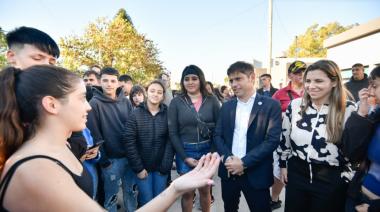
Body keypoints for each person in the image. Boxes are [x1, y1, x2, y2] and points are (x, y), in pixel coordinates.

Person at [0, 65, 102, 211]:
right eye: (82, 98)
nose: (88, 107)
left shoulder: (60, 146)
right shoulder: (36, 169)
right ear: (52, 104)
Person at [277, 60, 357, 212]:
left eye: (318, 81)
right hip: (297, 175)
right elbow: (285, 138)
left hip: (331, 179)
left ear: (334, 82)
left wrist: (345, 178)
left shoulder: (348, 109)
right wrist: (283, 165)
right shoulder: (295, 105)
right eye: (308, 81)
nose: (311, 86)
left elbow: (355, 151)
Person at [5, 26, 89, 160]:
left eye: (51, 62)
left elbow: (79, 141)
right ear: (11, 56)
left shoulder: (56, 92)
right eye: (37, 58)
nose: (45, 66)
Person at [214, 61, 282, 212]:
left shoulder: (271, 105)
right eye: (231, 80)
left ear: (252, 77)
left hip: (256, 172)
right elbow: (217, 135)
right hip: (229, 170)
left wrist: (243, 163)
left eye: (238, 79)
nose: (233, 84)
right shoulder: (227, 106)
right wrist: (227, 158)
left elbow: (272, 141)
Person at [168, 65, 220, 212]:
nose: (190, 82)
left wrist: (210, 155)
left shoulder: (212, 100)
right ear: (182, 82)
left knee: (205, 191)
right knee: (187, 193)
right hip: (185, 150)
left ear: (200, 80)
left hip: (207, 151)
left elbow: (219, 129)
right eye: (186, 79)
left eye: (194, 78)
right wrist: (184, 157)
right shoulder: (176, 102)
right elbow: (173, 132)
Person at [86, 67, 136, 212]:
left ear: (118, 83)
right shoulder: (94, 104)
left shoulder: (126, 102)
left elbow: (132, 128)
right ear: (100, 82)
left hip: (130, 157)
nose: (109, 84)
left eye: (113, 81)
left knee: (131, 191)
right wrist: (105, 161)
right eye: (105, 80)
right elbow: (94, 134)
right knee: (111, 197)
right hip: (111, 161)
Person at [124, 80, 174, 206]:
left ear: (163, 95)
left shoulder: (168, 114)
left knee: (159, 200)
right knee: (146, 201)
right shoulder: (135, 114)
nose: (155, 94)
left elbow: (170, 140)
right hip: (142, 167)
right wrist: (138, 168)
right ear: (147, 92)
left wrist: (166, 165)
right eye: (152, 91)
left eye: (159, 92)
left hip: (160, 168)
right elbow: (129, 141)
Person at [342, 66, 380, 212]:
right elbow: (350, 151)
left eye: (375, 86)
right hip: (359, 196)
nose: (369, 91)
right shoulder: (375, 116)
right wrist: (362, 113)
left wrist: (374, 208)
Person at [271, 60, 306, 209]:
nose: (301, 75)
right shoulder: (280, 93)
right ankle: (274, 198)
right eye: (297, 72)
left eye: (303, 71)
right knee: (279, 171)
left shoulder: (312, 89)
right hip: (284, 137)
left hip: (306, 139)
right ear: (290, 74)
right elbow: (270, 114)